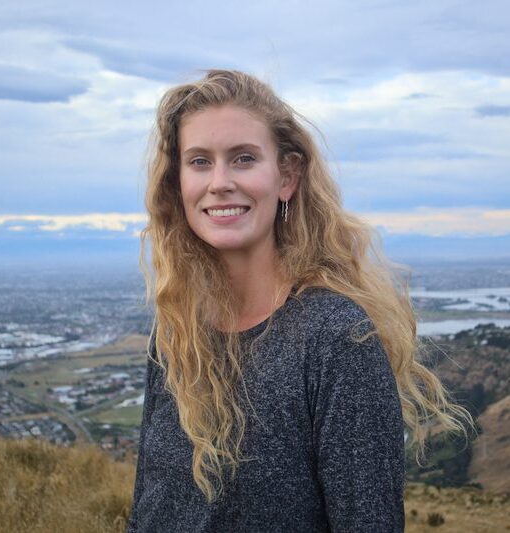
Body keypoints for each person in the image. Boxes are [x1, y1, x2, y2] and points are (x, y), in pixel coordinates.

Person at [128, 69, 473, 532]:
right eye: (199, 161)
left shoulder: (338, 340)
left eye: (244, 158)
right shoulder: (175, 332)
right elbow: (147, 509)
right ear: (178, 182)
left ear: (286, 177)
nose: (220, 182)